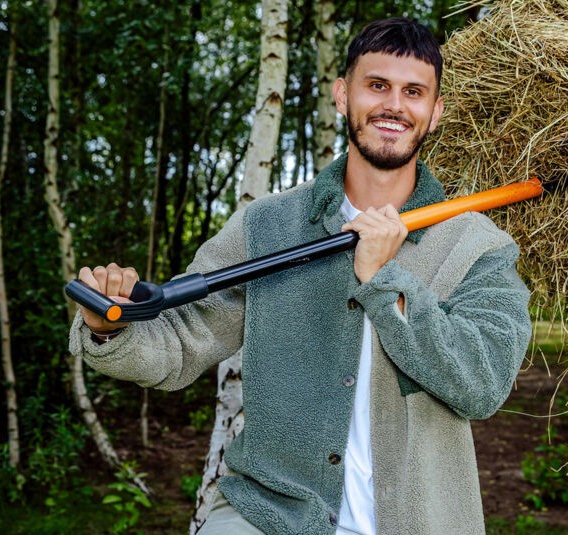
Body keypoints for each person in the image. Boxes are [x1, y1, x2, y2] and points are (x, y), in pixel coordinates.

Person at [69, 17, 531, 535]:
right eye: (377, 85)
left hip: (419, 521)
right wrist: (110, 326)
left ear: (436, 110)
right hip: (272, 514)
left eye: (414, 92)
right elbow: (182, 340)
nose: (394, 106)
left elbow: (482, 384)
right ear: (342, 95)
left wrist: (383, 280)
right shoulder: (268, 225)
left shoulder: (478, 245)